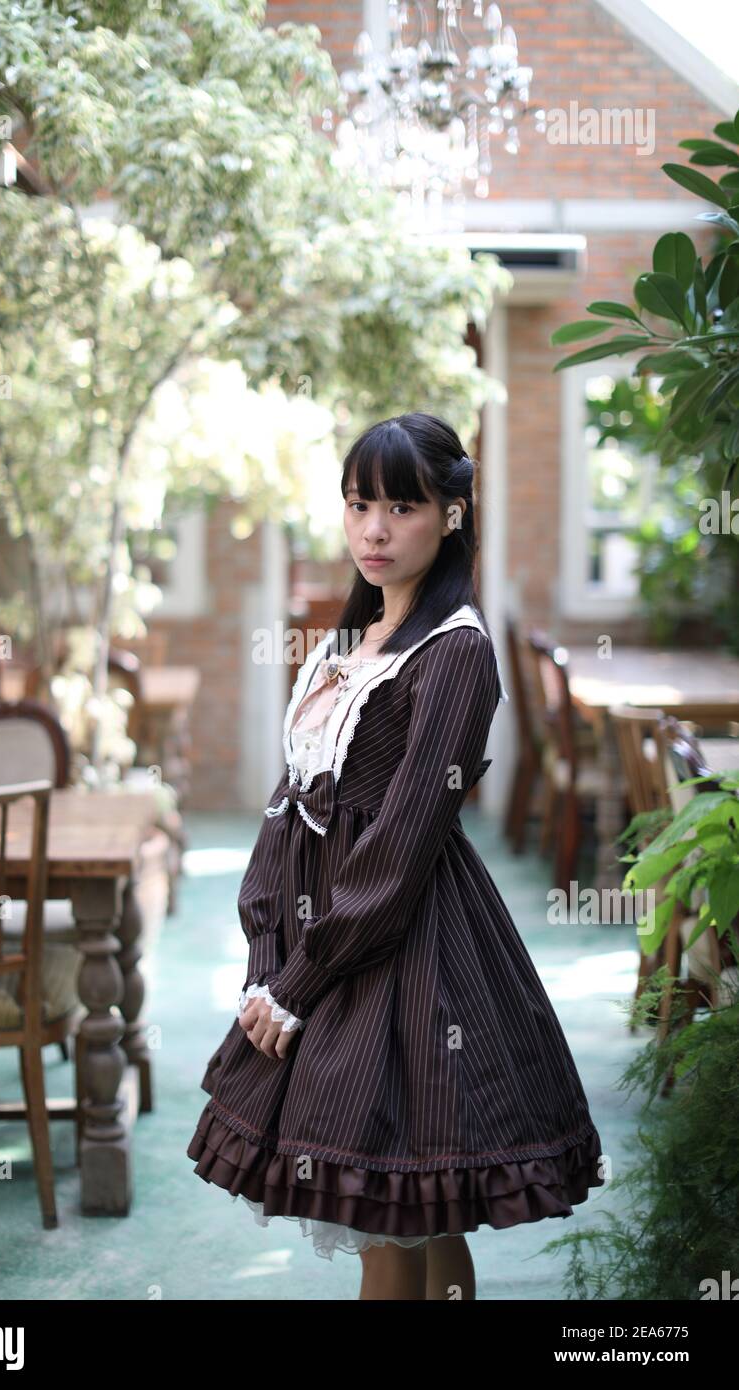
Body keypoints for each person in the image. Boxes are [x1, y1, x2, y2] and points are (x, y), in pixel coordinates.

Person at [186, 412, 605, 1300]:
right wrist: (267, 965)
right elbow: (284, 819)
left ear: (451, 514)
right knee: (409, 1219)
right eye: (357, 505)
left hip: (405, 954)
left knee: (392, 1210)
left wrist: (296, 986)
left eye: (401, 507)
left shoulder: (456, 655)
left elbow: (401, 849)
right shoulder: (344, 648)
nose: (373, 530)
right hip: (320, 954)